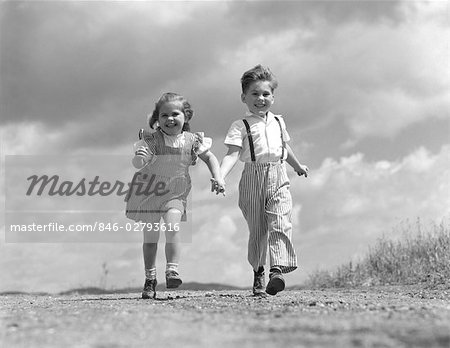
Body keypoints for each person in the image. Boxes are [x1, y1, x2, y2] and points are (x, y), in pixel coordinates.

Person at [219, 65, 309, 296]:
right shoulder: (240, 125)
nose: (261, 98)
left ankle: (276, 269)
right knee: (258, 230)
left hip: (278, 174)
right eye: (255, 94)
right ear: (244, 97)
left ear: (273, 96)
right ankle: (259, 270)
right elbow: (231, 154)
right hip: (252, 177)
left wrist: (298, 167)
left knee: (281, 219)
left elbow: (284, 148)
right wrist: (219, 176)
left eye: (266, 94)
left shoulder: (279, 121)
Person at [126, 92, 225, 299]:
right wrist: (140, 159)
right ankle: (150, 278)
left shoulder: (193, 141)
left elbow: (210, 158)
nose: (170, 119)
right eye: (164, 115)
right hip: (150, 193)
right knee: (151, 238)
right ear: (157, 119)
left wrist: (218, 177)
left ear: (186, 116)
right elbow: (138, 164)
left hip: (176, 193)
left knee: (172, 226)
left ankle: (172, 270)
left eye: (175, 114)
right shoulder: (152, 141)